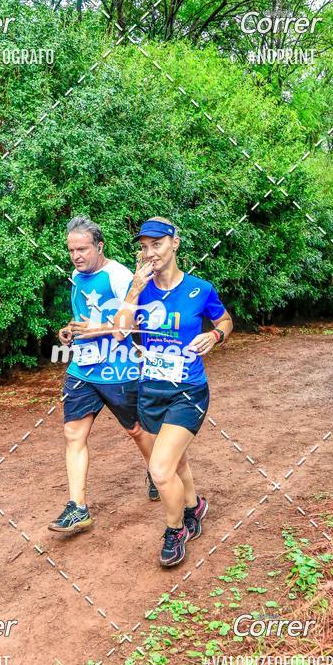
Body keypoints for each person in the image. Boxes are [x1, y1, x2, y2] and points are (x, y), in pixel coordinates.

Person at [104, 217, 232, 567]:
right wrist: (132, 289)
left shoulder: (200, 289)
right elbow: (118, 333)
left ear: (175, 243)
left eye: (157, 244)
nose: (150, 252)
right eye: (144, 247)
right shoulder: (139, 289)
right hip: (151, 390)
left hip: (188, 390)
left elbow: (225, 320)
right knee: (179, 460)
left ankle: (175, 530)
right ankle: (195, 507)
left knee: (160, 470)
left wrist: (215, 335)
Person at [48, 217, 157, 535]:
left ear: (99, 246)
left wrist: (100, 330)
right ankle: (77, 508)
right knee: (73, 435)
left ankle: (158, 470)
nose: (76, 256)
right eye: (71, 250)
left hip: (118, 370)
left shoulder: (120, 276)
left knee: (137, 430)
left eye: (82, 249)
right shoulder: (76, 276)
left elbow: (134, 325)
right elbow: (83, 317)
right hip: (82, 369)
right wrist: (69, 329)